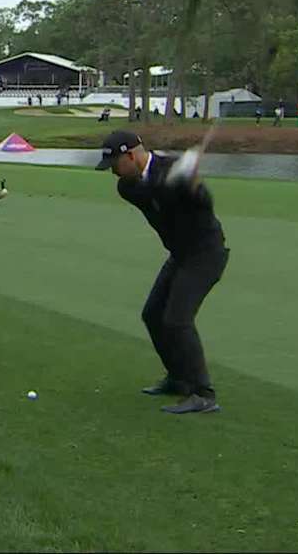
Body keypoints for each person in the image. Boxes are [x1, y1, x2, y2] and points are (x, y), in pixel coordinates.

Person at [96, 129, 229, 415]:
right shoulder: (128, 187)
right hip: (180, 255)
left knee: (178, 320)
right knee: (153, 315)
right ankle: (179, 378)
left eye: (115, 165)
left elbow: (204, 206)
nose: (114, 174)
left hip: (206, 253)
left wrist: (192, 184)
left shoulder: (174, 172)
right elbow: (156, 194)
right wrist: (175, 181)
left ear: (131, 155)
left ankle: (203, 393)